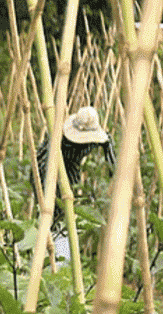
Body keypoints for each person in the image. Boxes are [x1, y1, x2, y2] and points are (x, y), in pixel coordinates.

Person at [33, 106, 115, 259]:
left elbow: (107, 142)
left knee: (65, 217)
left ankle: (56, 249)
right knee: (51, 215)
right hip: (51, 172)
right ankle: (50, 251)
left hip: (70, 175)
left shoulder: (91, 142)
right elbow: (40, 169)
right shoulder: (57, 143)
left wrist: (112, 168)